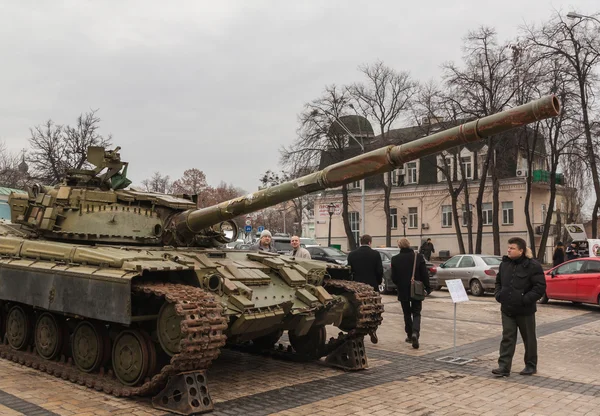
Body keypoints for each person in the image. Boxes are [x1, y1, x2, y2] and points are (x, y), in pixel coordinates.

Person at [493, 237, 546, 377]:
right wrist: (499, 294)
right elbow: (498, 281)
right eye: (508, 247)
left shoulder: (533, 265)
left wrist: (525, 299)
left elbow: (540, 287)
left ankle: (530, 365)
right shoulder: (504, 264)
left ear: (521, 251)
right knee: (507, 338)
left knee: (529, 339)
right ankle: (503, 367)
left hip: (525, 311)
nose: (509, 250)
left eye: (512, 248)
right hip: (507, 309)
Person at [391, 238, 431, 349]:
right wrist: (427, 288)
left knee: (406, 313)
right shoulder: (418, 257)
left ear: (399, 246)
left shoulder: (395, 259)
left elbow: (393, 278)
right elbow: (424, 274)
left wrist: (399, 284)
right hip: (416, 290)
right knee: (417, 313)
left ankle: (409, 334)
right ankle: (415, 333)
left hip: (402, 290)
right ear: (409, 245)